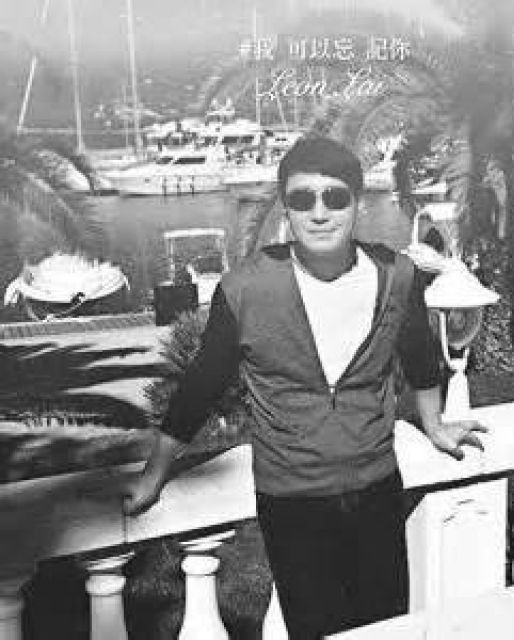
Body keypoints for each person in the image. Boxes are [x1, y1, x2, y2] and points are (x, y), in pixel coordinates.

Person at [123, 136, 486, 639]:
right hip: (292, 500)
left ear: (356, 202)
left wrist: (435, 424)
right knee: (314, 630)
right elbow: (202, 384)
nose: (319, 213)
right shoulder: (247, 288)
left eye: (335, 198)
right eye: (302, 199)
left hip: (377, 488)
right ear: (285, 208)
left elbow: (420, 354)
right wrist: (155, 473)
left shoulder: (396, 275)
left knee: (385, 628)